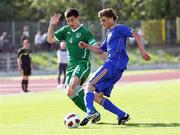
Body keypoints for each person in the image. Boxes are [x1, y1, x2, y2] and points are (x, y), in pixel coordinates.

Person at [79, 8, 151, 126]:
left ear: (113, 19)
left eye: (104, 20)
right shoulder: (110, 34)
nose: (102, 23)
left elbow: (136, 35)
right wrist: (86, 45)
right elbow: (99, 50)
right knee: (97, 97)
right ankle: (122, 115)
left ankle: (90, 112)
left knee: (89, 85)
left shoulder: (119, 29)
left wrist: (143, 52)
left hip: (112, 65)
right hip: (117, 69)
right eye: (101, 21)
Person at [47, 8, 100, 123]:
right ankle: (93, 112)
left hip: (82, 63)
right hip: (70, 66)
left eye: (72, 20)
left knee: (73, 85)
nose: (70, 23)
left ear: (78, 18)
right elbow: (50, 39)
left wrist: (86, 45)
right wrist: (52, 25)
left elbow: (96, 48)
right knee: (69, 92)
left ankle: (91, 107)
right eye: (68, 21)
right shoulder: (65, 30)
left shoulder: (85, 32)